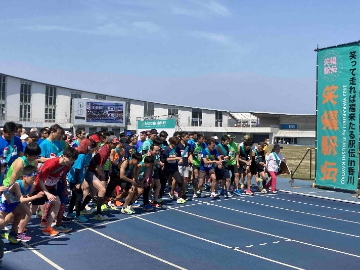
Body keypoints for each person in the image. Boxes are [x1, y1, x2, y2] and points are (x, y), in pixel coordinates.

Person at [32, 147, 78, 236]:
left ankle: (48, 228)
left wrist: (56, 189)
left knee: (58, 203)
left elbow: (58, 177)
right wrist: (47, 193)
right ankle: (19, 227)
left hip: (51, 187)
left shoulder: (66, 165)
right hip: (39, 187)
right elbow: (40, 180)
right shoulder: (51, 164)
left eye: (73, 160)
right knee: (32, 210)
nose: (71, 162)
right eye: (70, 159)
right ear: (64, 156)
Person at [0, 165, 44, 242]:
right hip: (5, 203)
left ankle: (14, 233)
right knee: (2, 222)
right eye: (32, 177)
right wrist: (37, 196)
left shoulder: (32, 185)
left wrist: (29, 196)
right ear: (24, 176)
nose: (34, 179)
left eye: (35, 177)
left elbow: (26, 195)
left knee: (23, 212)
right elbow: (22, 200)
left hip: (14, 202)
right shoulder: (17, 184)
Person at [67, 139, 97, 222]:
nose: (91, 148)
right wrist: (77, 183)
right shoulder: (81, 156)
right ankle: (78, 215)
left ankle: (70, 212)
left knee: (74, 196)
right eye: (90, 146)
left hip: (77, 179)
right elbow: (76, 169)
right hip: (74, 179)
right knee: (79, 197)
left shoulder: (87, 155)